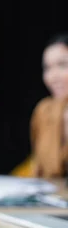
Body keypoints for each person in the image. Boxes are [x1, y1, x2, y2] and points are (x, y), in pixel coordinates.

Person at [30, 33, 68, 177]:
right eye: (47, 68)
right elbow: (37, 166)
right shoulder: (44, 110)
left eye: (62, 65)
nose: (52, 77)